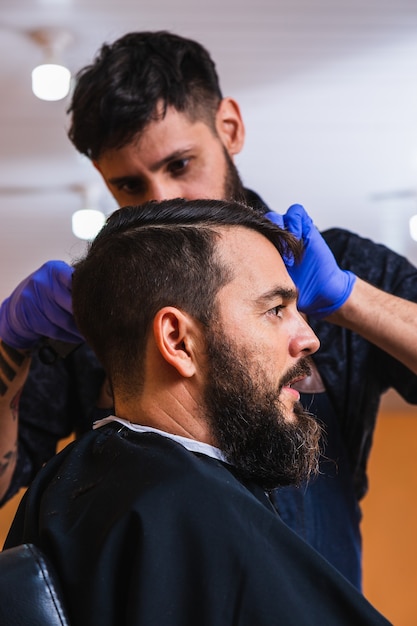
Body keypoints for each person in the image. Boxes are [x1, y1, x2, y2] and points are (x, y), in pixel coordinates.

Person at [0, 31, 417, 590]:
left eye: (179, 163)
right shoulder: (102, 313)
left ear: (229, 128)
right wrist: (8, 344)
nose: (161, 201)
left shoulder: (347, 262)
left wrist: (350, 297)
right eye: (128, 184)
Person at [3, 199, 391, 626]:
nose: (309, 338)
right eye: (275, 309)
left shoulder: (67, 489)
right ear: (178, 341)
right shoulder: (188, 512)